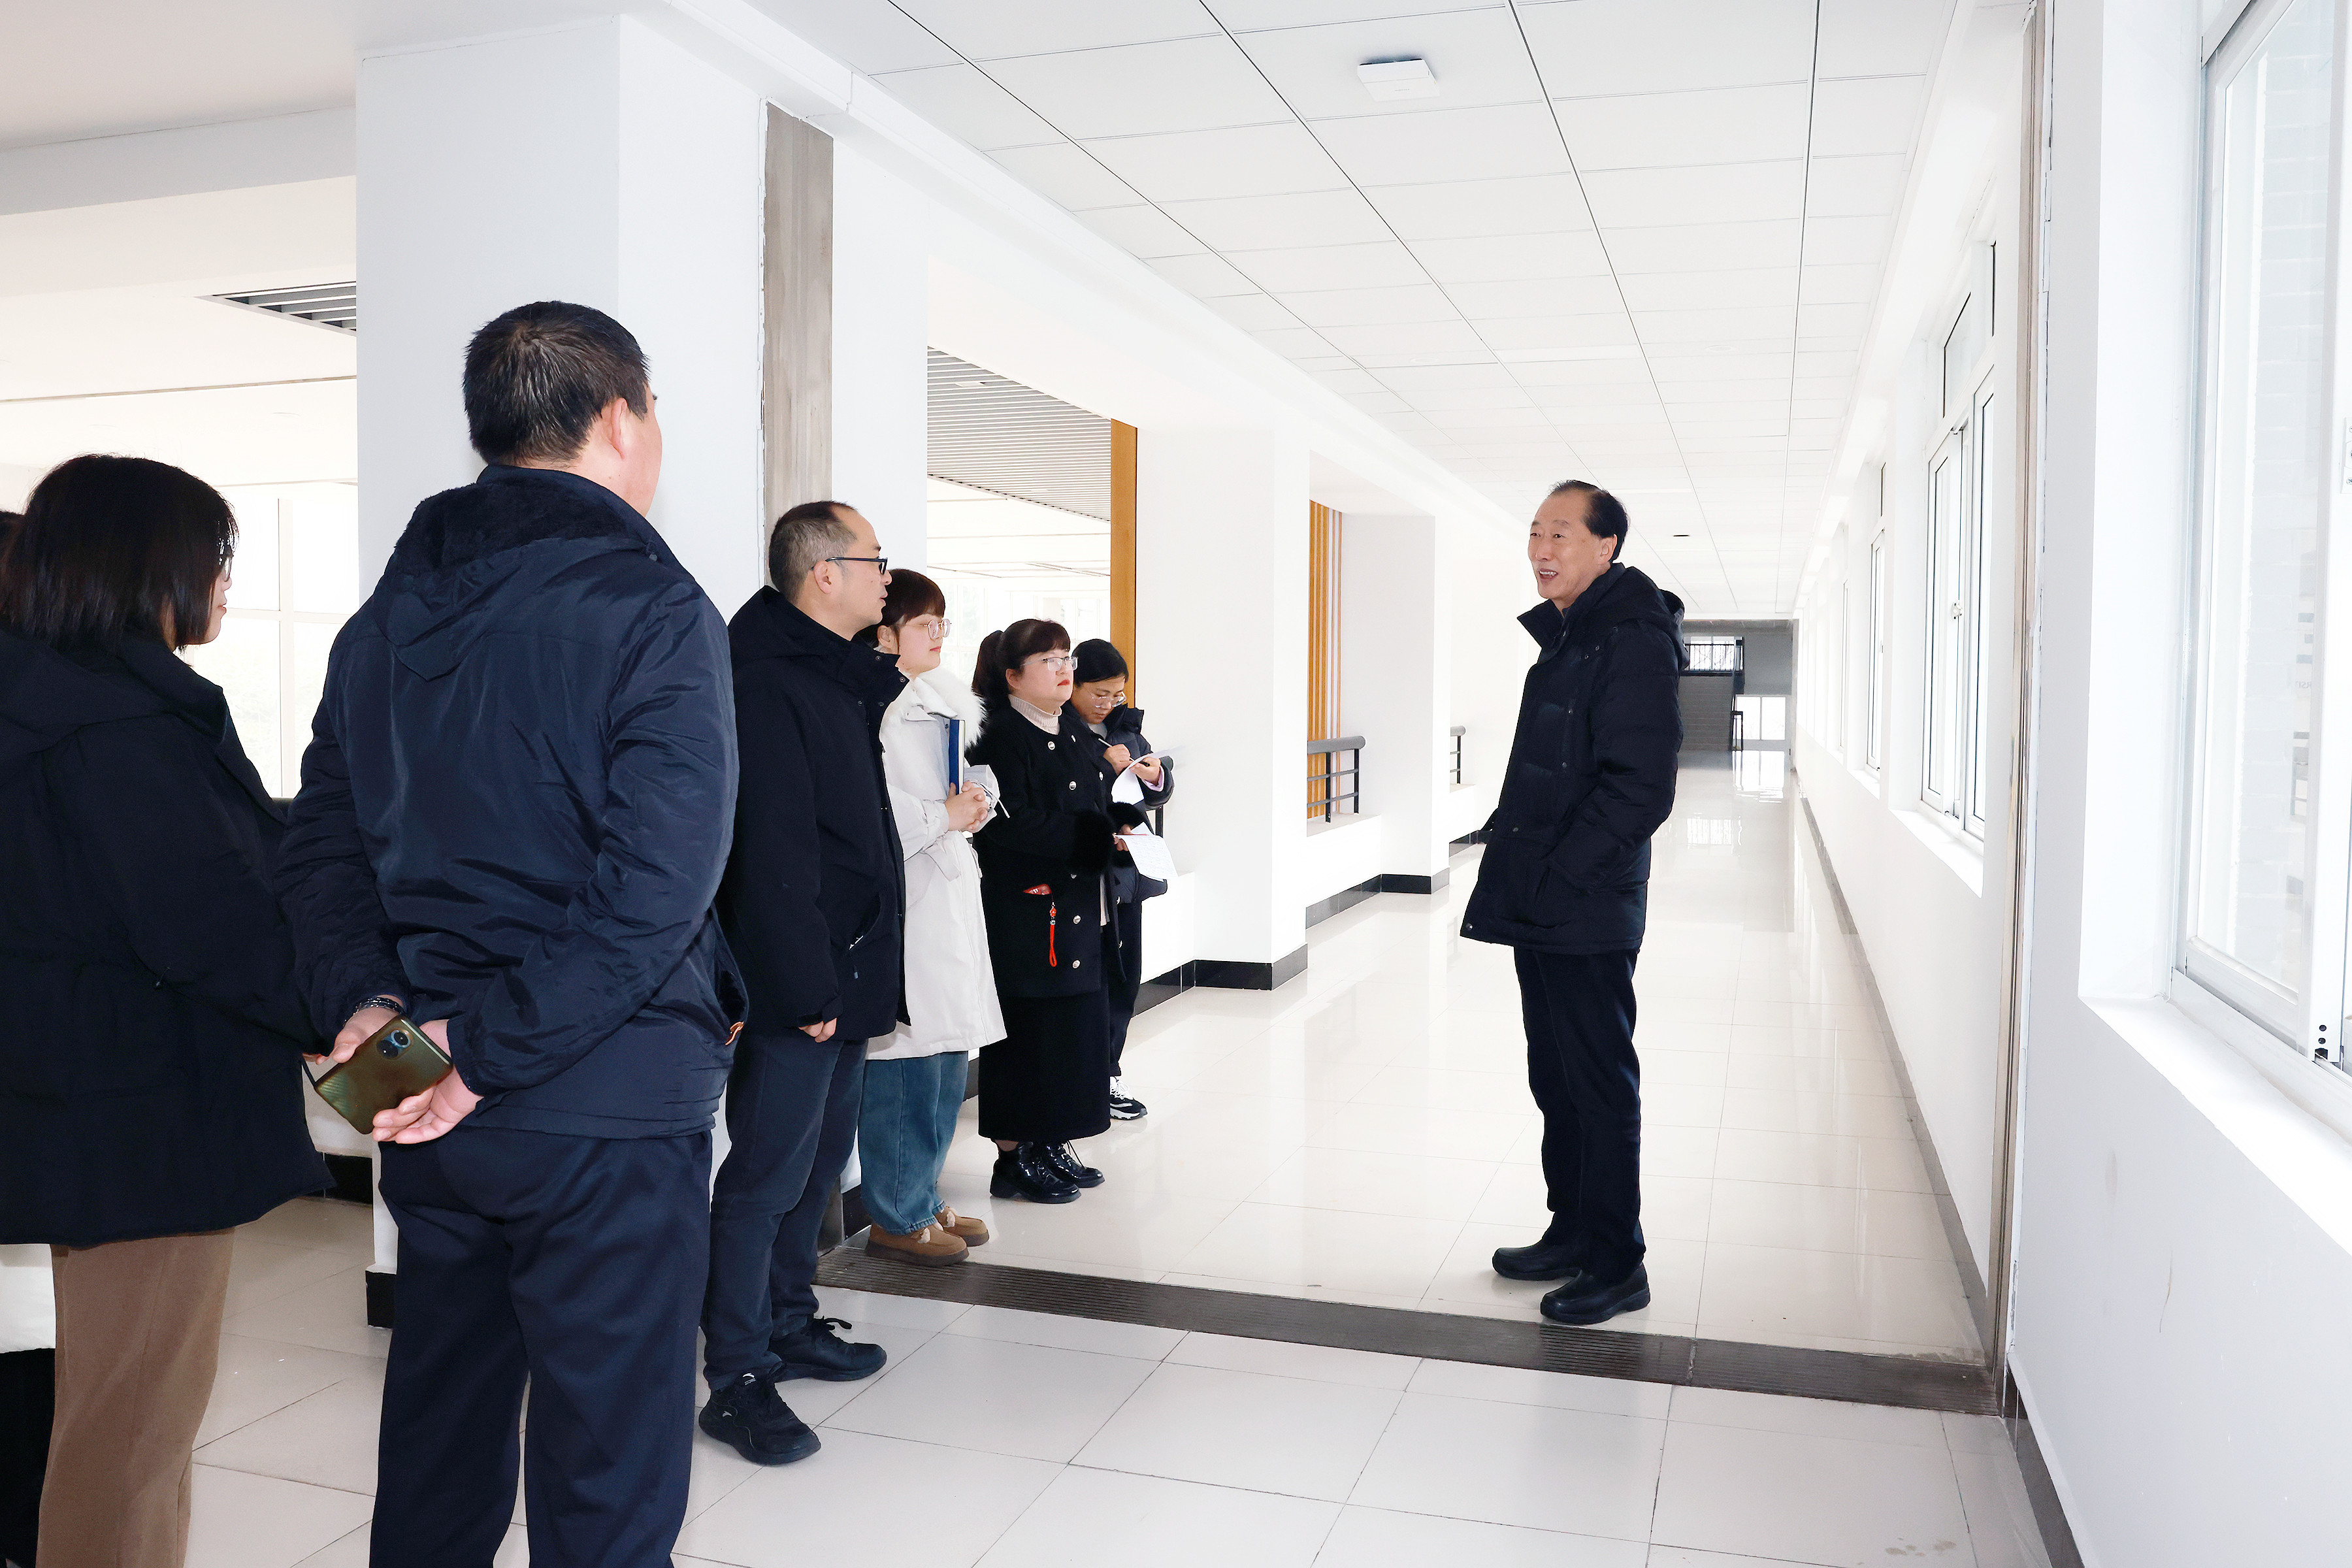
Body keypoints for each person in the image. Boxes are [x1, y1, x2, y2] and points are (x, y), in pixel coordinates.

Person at [273, 302, 743, 1568]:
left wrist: (369, 1010)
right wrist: (486, 1046)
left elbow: (319, 852)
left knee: (442, 1433)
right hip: (598, 1097)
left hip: (422, 1087)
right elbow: (656, 889)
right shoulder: (653, 607)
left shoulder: (382, 622)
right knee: (607, 1471)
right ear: (621, 420)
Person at [0, 459, 374, 1568]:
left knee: (130, 1426)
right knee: (131, 1436)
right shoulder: (118, 727)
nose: (225, 581)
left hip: (98, 1113)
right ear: (147, 563)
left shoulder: (61, 702)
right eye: (216, 555)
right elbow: (223, 930)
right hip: (146, 1128)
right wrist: (392, 1057)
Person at [699, 500, 904, 1463]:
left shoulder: (832, 674)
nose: (886, 577)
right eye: (875, 560)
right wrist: (803, 987)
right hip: (805, 982)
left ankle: (787, 1321)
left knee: (818, 1166)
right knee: (765, 1176)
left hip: (845, 969)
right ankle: (736, 1373)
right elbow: (771, 853)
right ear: (825, 573)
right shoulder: (768, 679)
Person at [1460, 480, 1686, 1328]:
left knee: (1596, 1081)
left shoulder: (1631, 640)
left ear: (1606, 546)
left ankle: (1617, 1262)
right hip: (1548, 896)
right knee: (1554, 1073)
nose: (1541, 550)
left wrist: (1561, 875)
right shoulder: (1574, 636)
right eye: (1534, 533)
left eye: (1560, 533)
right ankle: (1572, 1230)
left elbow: (1640, 789)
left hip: (1584, 903)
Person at [853, 569, 1000, 1266]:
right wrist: (944, 815)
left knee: (945, 1059)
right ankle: (895, 1213)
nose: (939, 635)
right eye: (924, 624)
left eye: (943, 622)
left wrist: (974, 800)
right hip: (907, 893)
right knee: (905, 1064)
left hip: (945, 889)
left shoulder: (937, 701)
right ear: (886, 635)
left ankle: (924, 1192)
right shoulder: (876, 711)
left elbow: (950, 793)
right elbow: (873, 815)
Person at [968, 620, 1139, 1203]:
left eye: (1066, 657)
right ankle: (1014, 1156)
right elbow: (1006, 822)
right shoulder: (998, 734)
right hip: (1029, 910)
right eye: (1048, 660)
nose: (1064, 669)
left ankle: (1050, 1140)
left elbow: (1091, 799)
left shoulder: (1068, 725)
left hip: (1077, 907)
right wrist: (1090, 836)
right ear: (1013, 676)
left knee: (1069, 1033)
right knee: (1027, 1035)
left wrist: (1118, 824)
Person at [1068, 639, 1171, 1120]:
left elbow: (1156, 793)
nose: (1108, 703)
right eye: (1100, 693)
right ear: (1072, 683)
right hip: (1085, 875)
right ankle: (1085, 1078)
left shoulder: (1127, 728)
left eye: (1117, 694)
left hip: (1127, 875)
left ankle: (1108, 1073)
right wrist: (1104, 774)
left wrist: (1154, 776)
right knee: (1087, 982)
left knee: (1124, 979)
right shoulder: (1060, 729)